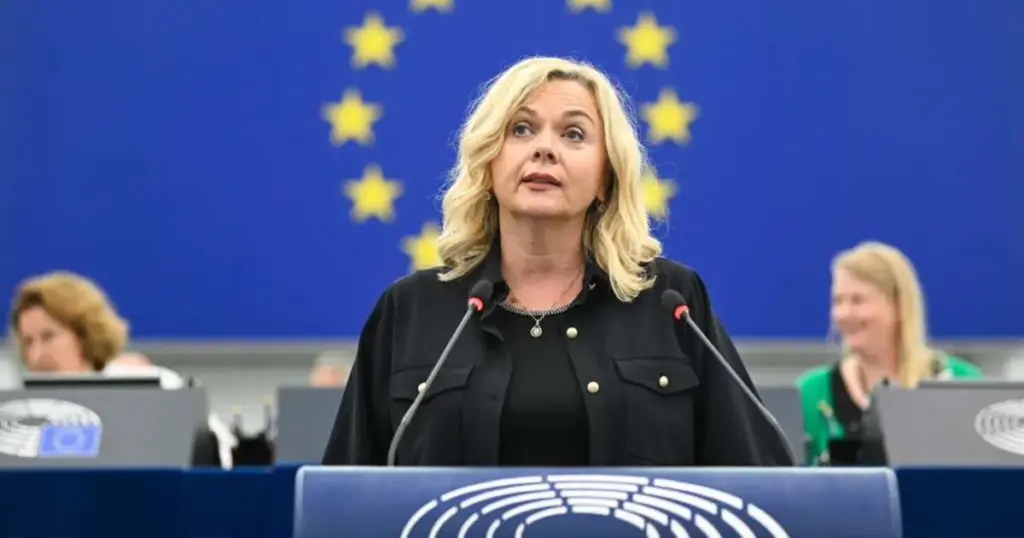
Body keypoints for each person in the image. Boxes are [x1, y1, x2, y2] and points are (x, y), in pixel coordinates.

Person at [322, 56, 792, 467]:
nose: (544, 148)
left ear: (605, 178)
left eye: (573, 134)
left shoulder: (671, 302)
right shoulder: (410, 310)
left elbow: (756, 479)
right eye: (521, 129)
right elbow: (345, 499)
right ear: (488, 163)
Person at [8, 271, 237, 467]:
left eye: (48, 337)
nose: (36, 355)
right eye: (28, 342)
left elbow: (218, 457)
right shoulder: (16, 414)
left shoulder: (153, 386)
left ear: (85, 333)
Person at [796, 241, 982, 465]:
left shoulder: (962, 384)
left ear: (898, 306)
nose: (844, 314)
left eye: (857, 300)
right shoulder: (810, 392)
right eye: (838, 301)